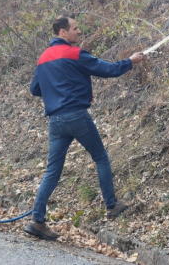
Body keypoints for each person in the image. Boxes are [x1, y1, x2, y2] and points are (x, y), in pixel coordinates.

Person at [24, 15, 146, 240]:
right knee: (100, 157)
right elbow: (109, 70)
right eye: (75, 29)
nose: (79, 32)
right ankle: (112, 206)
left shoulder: (43, 58)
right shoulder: (75, 53)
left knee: (52, 170)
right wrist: (130, 61)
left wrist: (56, 88)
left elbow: (35, 89)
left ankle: (37, 220)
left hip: (55, 122)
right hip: (76, 116)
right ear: (63, 33)